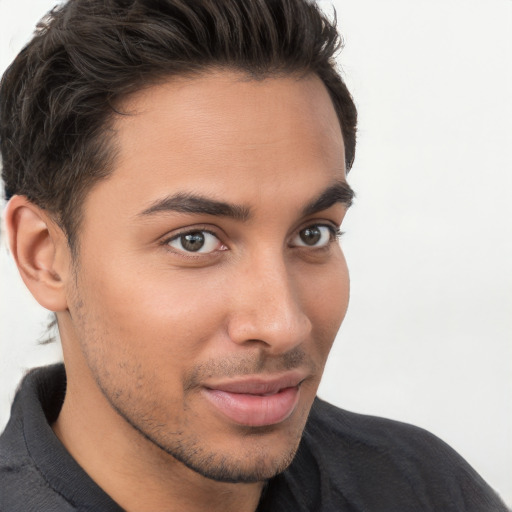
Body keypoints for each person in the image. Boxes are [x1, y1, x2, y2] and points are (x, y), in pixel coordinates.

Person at [0, 0, 508, 510]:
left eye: (313, 234)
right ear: (43, 255)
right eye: (193, 240)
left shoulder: (424, 489)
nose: (284, 324)